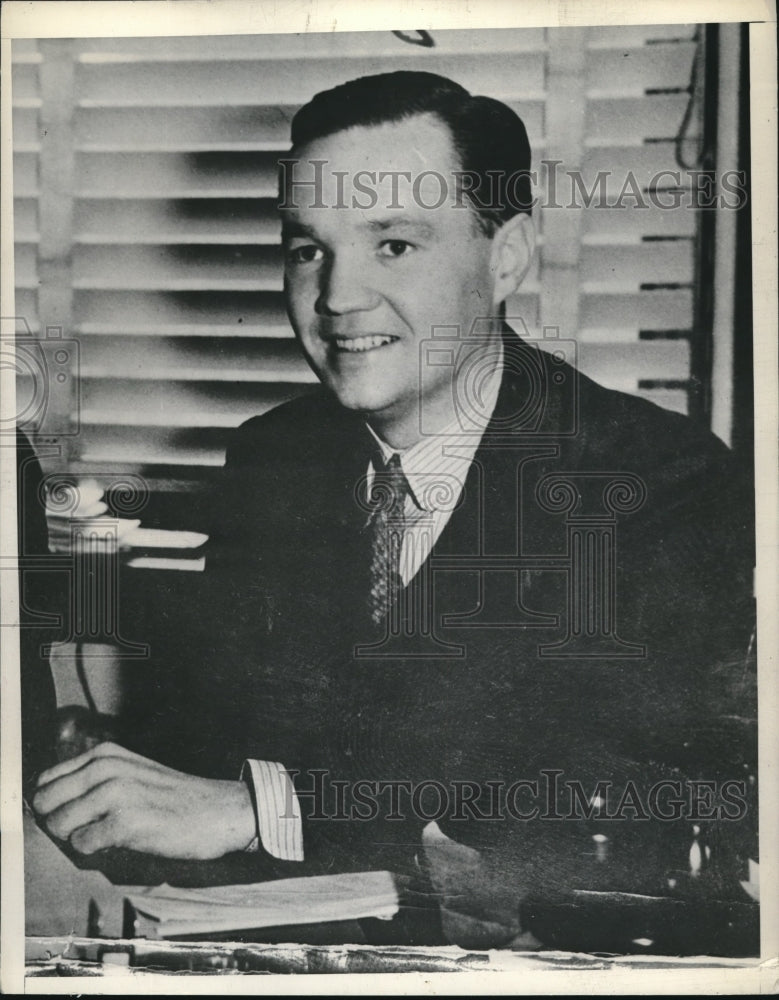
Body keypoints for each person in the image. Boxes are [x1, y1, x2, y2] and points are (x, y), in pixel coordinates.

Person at [31, 72, 756, 950]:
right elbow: (222, 744)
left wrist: (265, 807)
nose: (336, 298)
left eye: (394, 245)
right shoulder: (276, 456)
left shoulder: (662, 479)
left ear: (507, 257)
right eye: (308, 249)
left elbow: (611, 789)